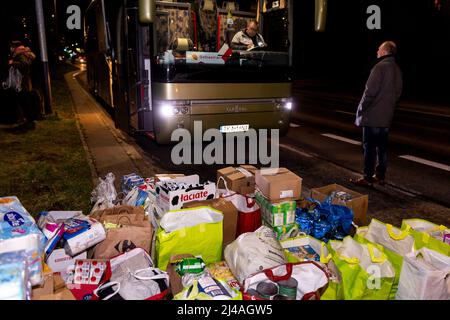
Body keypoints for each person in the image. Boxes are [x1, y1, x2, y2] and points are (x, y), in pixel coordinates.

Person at [351, 41, 403, 187]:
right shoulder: (397, 69)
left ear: (385, 51)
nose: (377, 51)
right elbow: (398, 92)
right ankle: (380, 176)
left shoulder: (379, 67)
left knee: (369, 147)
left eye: (379, 49)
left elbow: (369, 93)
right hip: (386, 117)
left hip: (372, 116)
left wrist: (361, 110)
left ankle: (367, 177)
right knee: (382, 148)